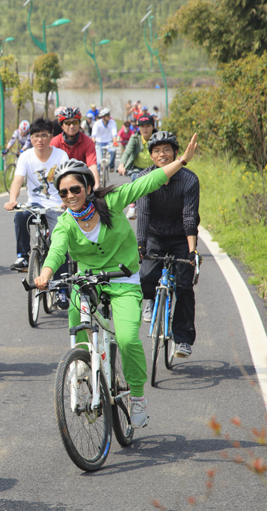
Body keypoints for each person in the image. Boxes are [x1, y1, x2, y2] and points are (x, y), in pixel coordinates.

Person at [33, 133, 199, 428]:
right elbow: (56, 251)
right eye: (63, 192)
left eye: (75, 189)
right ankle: (82, 365)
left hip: (123, 279)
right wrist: (45, 275)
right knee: (75, 314)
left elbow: (145, 183)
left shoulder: (110, 202)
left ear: (87, 187)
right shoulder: (66, 223)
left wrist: (182, 161)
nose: (70, 195)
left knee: (125, 338)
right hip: (88, 282)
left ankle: (137, 396)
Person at [136, 131, 201, 357]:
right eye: (156, 151)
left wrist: (192, 251)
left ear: (175, 152)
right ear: (151, 156)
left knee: (184, 286)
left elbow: (190, 217)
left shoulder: (189, 179)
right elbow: (142, 213)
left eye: (166, 150)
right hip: (155, 235)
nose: (162, 154)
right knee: (145, 276)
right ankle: (150, 300)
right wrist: (140, 246)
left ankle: (182, 339)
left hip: (182, 236)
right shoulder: (145, 178)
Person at [3, 118, 68, 271]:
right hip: (35, 204)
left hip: (56, 206)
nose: (40, 139)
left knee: (59, 239)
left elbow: (67, 181)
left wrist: (66, 201)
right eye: (36, 136)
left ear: (51, 136)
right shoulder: (26, 156)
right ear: (30, 138)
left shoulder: (61, 156)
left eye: (44, 135)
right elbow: (18, 180)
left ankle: (62, 288)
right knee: (20, 216)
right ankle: (23, 257)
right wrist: (12, 200)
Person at [118, 114, 158, 219]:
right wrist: (122, 165)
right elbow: (127, 152)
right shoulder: (135, 138)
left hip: (155, 168)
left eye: (148, 126)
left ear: (153, 126)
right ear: (138, 128)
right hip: (138, 169)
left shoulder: (157, 138)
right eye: (142, 126)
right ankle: (132, 206)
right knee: (136, 179)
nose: (145, 129)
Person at [50, 106, 99, 188]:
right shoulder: (54, 142)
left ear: (79, 124)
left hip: (81, 182)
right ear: (61, 126)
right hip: (60, 183)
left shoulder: (88, 142)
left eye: (75, 123)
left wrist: (97, 187)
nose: (72, 126)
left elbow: (92, 166)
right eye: (68, 123)